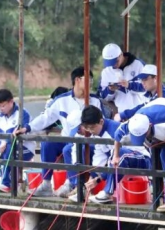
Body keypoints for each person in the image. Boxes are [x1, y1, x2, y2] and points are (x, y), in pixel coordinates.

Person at [14, 66, 102, 196]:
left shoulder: (95, 101)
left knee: (70, 149)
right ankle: (46, 184)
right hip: (67, 138)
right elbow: (46, 117)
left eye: (92, 81)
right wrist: (27, 128)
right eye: (88, 80)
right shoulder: (61, 100)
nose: (91, 83)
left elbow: (100, 123)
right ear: (77, 80)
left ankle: (72, 185)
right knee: (47, 143)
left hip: (87, 141)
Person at [113, 98, 165, 213]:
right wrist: (116, 156)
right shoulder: (134, 122)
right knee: (164, 157)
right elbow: (117, 135)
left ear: (149, 126)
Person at [75, 106, 150, 204]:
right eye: (87, 128)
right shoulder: (97, 135)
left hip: (141, 157)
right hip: (121, 160)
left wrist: (99, 178)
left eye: (92, 127)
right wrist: (94, 178)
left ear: (101, 122)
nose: (90, 131)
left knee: (118, 153)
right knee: (114, 156)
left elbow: (118, 156)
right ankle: (85, 191)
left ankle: (107, 193)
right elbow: (99, 161)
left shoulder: (114, 129)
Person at [98, 43, 146, 114]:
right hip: (120, 113)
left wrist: (129, 85)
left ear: (121, 55)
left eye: (115, 61)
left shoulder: (138, 65)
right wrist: (110, 90)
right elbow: (102, 95)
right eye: (110, 63)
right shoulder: (106, 71)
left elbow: (146, 87)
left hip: (140, 111)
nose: (113, 65)